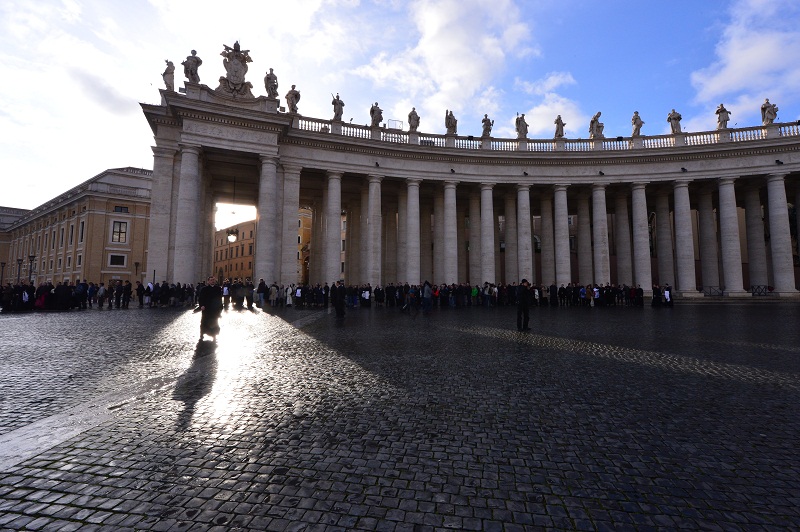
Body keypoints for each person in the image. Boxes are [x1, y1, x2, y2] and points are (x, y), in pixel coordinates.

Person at [198, 276, 223, 341]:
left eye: (214, 280)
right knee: (204, 321)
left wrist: (220, 307)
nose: (213, 281)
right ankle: (202, 334)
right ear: (208, 281)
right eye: (211, 280)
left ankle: (214, 335)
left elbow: (219, 298)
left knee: (215, 322)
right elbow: (201, 298)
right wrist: (202, 305)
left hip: (215, 309)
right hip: (206, 309)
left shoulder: (218, 288)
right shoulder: (204, 289)